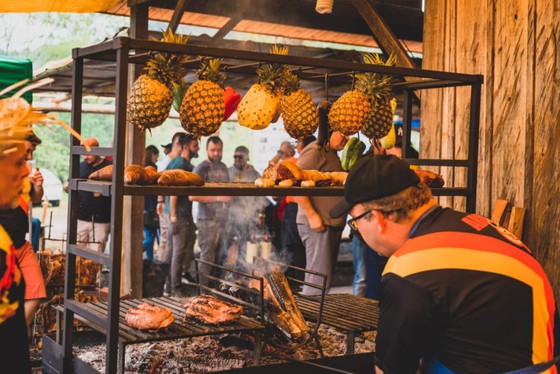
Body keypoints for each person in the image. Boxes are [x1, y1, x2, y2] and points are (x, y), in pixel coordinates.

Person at [330, 155, 559, 373]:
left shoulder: (408, 269)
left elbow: (389, 370)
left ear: (378, 219)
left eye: (356, 222)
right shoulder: (482, 225)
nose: (358, 230)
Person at [0, 133, 47, 327]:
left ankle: (16, 332)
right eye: (27, 151)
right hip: (4, 250)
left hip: (22, 245)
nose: (29, 157)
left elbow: (36, 199)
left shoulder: (23, 172)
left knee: (36, 292)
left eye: (31, 152)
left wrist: (37, 187)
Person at [293, 131, 348, 295]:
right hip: (318, 224)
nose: (347, 138)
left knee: (323, 279)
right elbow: (295, 182)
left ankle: (313, 316)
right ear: (330, 131)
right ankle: (309, 318)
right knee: (318, 282)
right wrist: (312, 215)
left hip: (328, 224)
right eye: (343, 133)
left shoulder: (333, 154)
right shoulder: (316, 150)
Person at [190, 136, 231, 286]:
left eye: (219, 150)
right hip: (206, 220)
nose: (216, 153)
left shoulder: (224, 167)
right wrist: (218, 197)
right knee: (207, 257)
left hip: (222, 220)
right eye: (213, 150)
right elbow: (192, 195)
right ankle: (202, 291)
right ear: (207, 150)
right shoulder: (201, 168)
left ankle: (215, 292)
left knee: (220, 257)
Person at [163, 134, 199, 296]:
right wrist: (173, 214)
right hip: (179, 215)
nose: (197, 148)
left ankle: (168, 286)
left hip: (174, 213)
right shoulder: (181, 164)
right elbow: (173, 190)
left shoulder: (176, 161)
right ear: (186, 147)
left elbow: (162, 179)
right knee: (178, 252)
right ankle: (176, 288)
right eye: (195, 145)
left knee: (171, 251)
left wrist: (160, 203)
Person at [282, 135, 315, 289]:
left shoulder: (294, 162)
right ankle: (301, 282)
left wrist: (282, 153)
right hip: (305, 209)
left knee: (291, 246)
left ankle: (292, 284)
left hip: (294, 208)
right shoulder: (311, 162)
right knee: (301, 247)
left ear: (302, 147)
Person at [226, 146, 267, 268]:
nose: (237, 159)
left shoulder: (254, 174)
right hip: (231, 215)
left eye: (240, 157)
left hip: (249, 215)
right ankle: (225, 272)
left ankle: (242, 271)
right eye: (235, 156)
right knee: (226, 244)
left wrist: (261, 214)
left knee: (245, 245)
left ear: (247, 157)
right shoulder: (228, 172)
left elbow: (261, 196)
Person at [75, 138, 112, 252]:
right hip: (81, 218)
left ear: (97, 151)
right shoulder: (79, 166)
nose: (85, 157)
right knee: (78, 255)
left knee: (97, 256)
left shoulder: (109, 167)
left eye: (88, 154)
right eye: (83, 154)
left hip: (101, 220)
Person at [143, 145, 160, 261]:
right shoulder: (153, 169)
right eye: (156, 156)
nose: (157, 159)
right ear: (152, 155)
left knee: (150, 235)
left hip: (144, 205)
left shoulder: (141, 168)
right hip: (151, 207)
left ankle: (150, 260)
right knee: (150, 237)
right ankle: (137, 251)